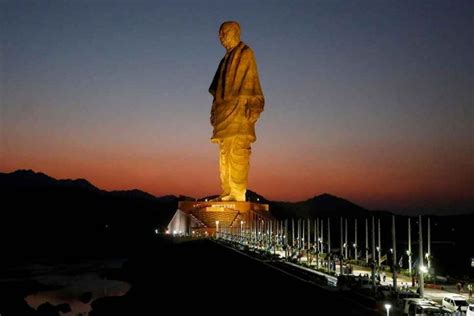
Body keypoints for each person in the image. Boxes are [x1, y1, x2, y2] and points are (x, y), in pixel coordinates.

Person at [209, 21, 265, 202]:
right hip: (224, 112)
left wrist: (255, 105)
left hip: (240, 112)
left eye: (223, 33)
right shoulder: (223, 60)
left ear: (234, 33)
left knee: (238, 152)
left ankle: (237, 192)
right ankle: (226, 191)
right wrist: (214, 109)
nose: (221, 37)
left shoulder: (246, 53)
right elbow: (216, 90)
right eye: (220, 34)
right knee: (224, 154)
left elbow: (253, 84)